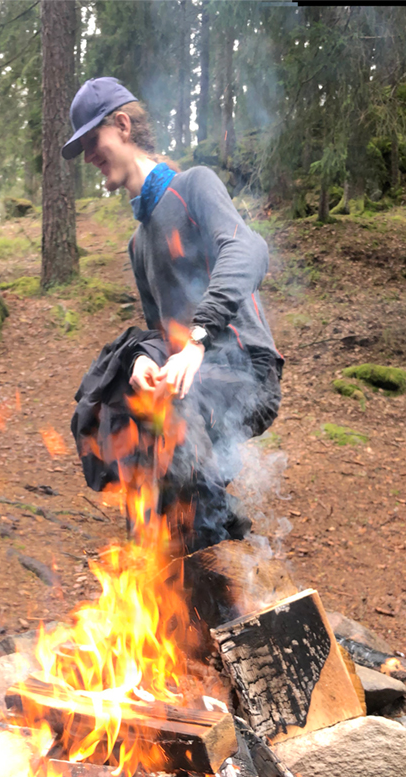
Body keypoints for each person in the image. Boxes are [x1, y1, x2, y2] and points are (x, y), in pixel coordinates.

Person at [64, 77, 282, 555]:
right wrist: (147, 357)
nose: (88, 156)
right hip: (190, 384)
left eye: (92, 140)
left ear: (122, 126)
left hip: (247, 373)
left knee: (169, 411)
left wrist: (198, 340)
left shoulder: (193, 186)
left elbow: (248, 249)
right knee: (115, 398)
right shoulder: (138, 244)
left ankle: (223, 546)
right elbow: (161, 334)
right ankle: (157, 562)